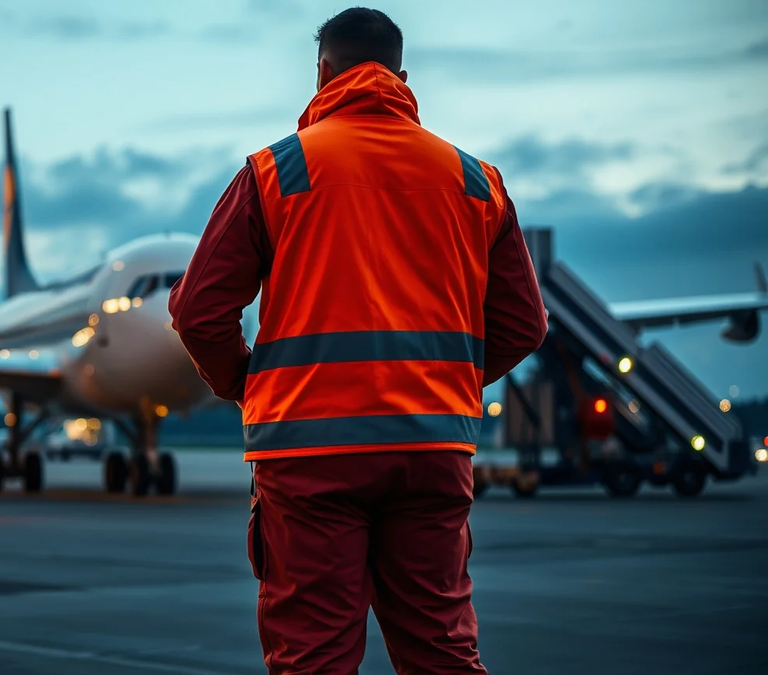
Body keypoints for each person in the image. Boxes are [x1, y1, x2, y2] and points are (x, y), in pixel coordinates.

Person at [168, 7, 547, 674]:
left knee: (314, 656)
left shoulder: (277, 171)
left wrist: (248, 385)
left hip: (311, 450)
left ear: (322, 74)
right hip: (432, 445)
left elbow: (198, 310)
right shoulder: (474, 180)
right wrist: (442, 382)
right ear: (402, 78)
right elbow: (524, 324)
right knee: (443, 649)